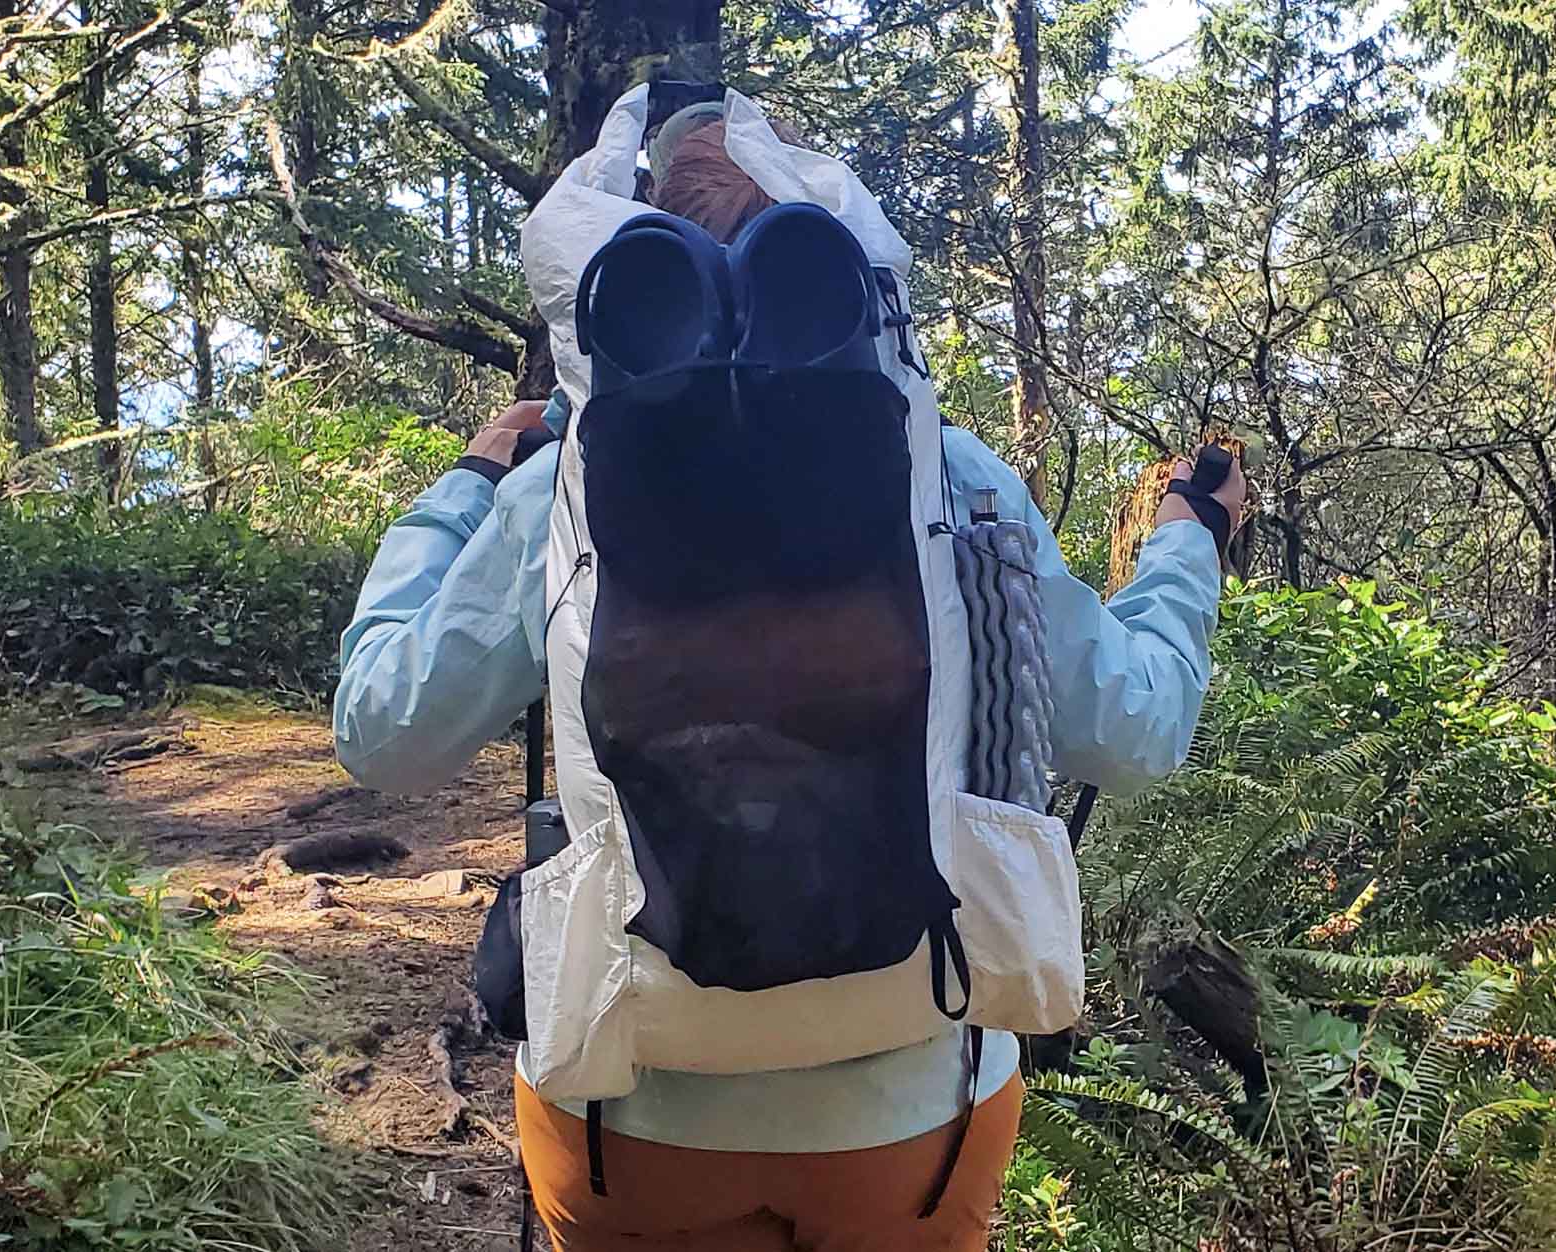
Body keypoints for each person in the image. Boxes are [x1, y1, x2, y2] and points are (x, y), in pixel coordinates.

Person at [333, 114, 1246, 1252]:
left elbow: (382, 729)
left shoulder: (557, 494)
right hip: (912, 1118)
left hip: (627, 1115)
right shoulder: (952, 481)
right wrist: (1188, 537)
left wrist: (470, 481)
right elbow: (1136, 730)